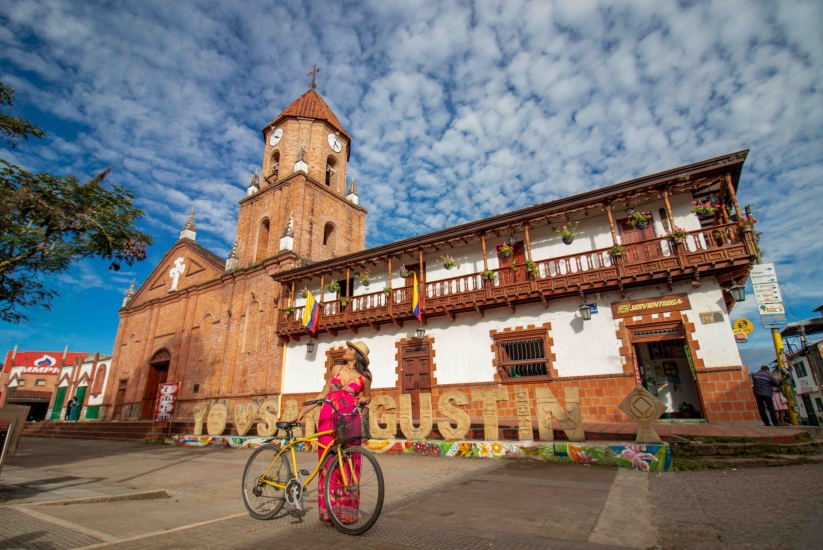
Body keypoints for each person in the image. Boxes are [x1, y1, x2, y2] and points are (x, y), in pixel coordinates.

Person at [295, 341, 372, 525]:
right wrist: (304, 411)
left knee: (348, 463)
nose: (346, 350)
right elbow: (323, 395)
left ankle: (346, 511)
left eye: (350, 349)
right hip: (328, 417)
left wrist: (365, 398)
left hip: (349, 419)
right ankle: (328, 512)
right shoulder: (335, 368)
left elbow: (368, 397)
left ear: (357, 355)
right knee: (327, 462)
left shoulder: (365, 376)